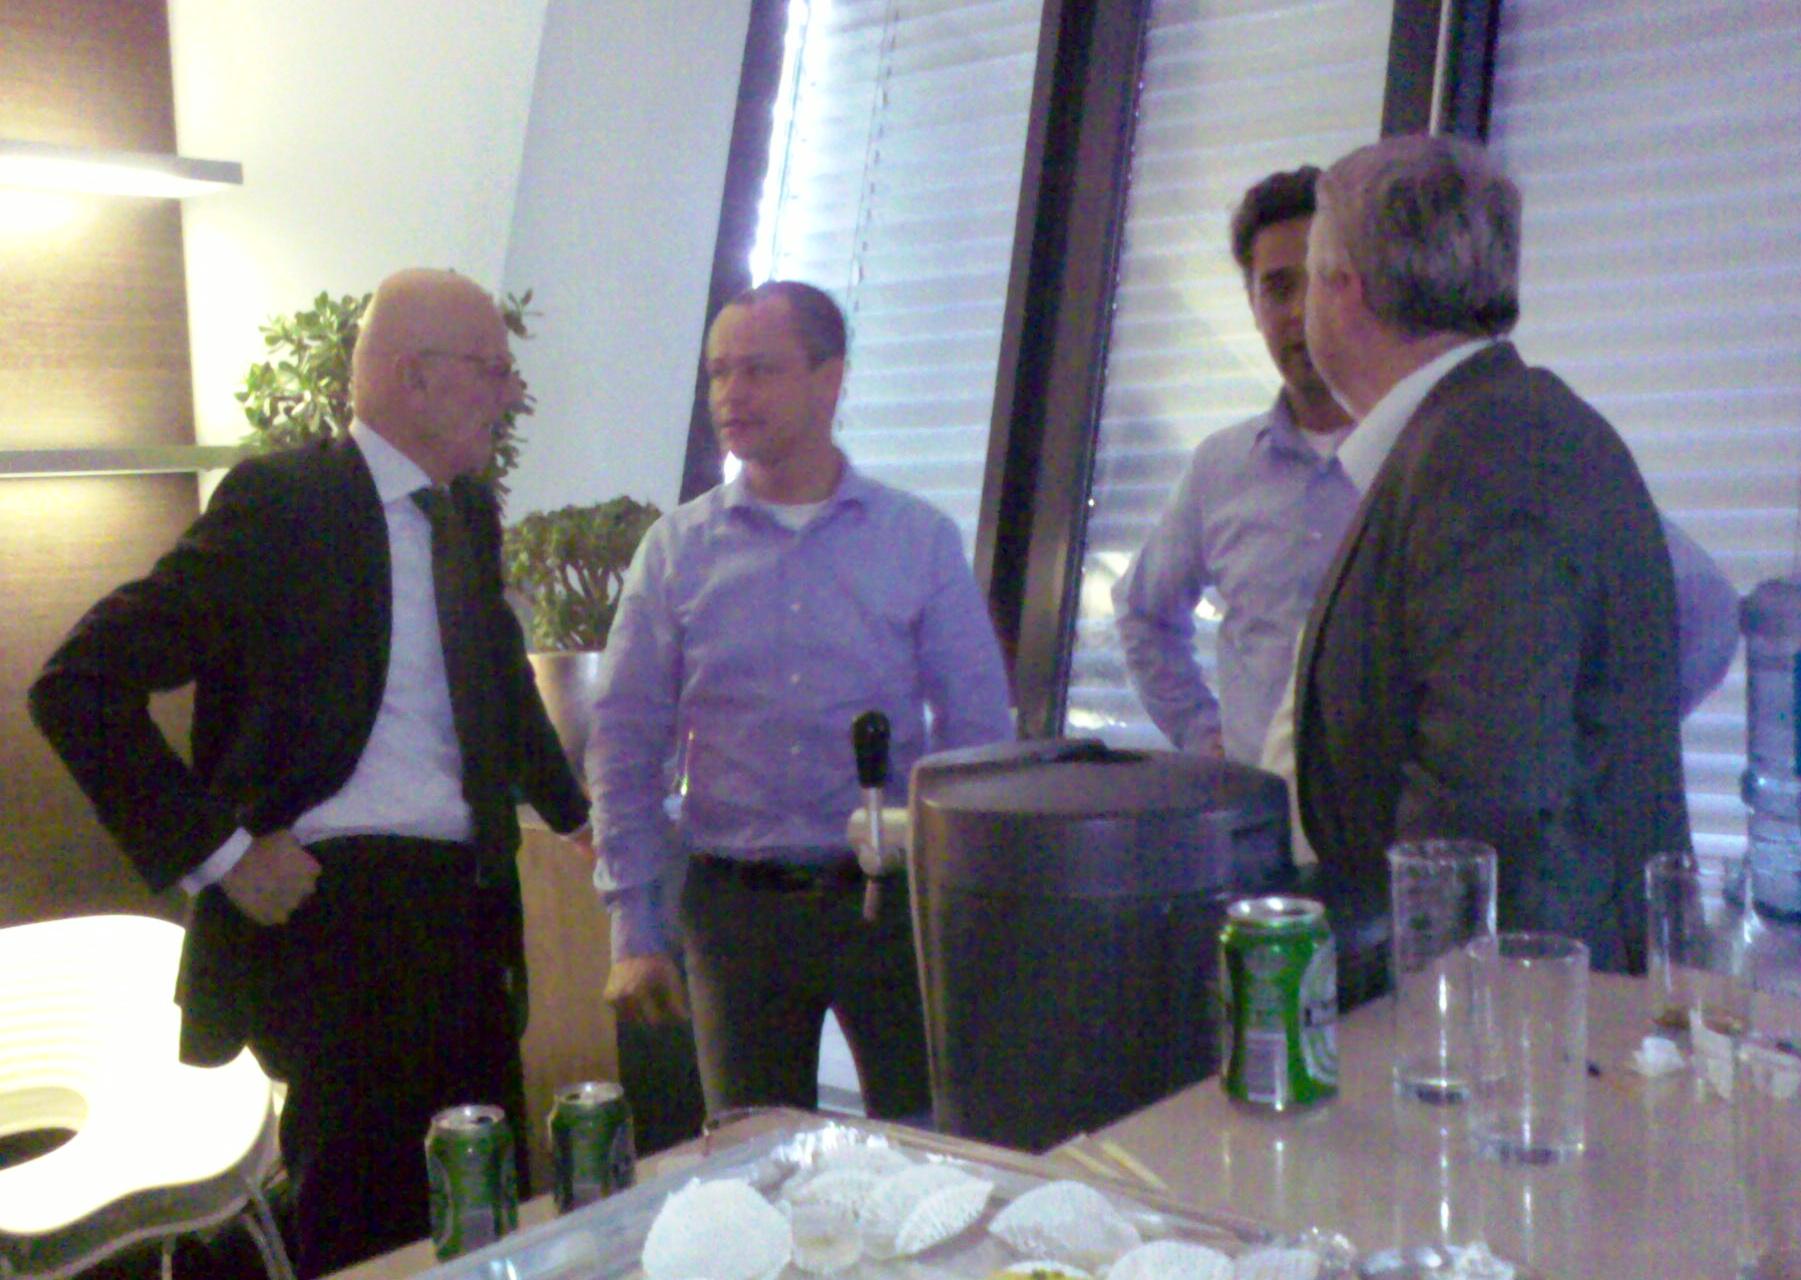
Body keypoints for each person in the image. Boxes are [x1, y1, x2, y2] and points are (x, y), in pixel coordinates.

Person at [29, 269, 590, 1276]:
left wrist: (580, 817)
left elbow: (499, 687)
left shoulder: (465, 514)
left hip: (466, 912)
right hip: (338, 919)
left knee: (485, 1214)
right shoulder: (285, 504)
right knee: (369, 1228)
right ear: (415, 376)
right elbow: (78, 686)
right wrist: (223, 854)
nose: (509, 394)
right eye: (492, 369)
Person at [1116, 167, 1739, 770]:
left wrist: (1586, 753)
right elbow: (1144, 615)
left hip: (1416, 822)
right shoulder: (1219, 470)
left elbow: (1703, 609)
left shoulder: (1465, 446)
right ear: (1252, 306)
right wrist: (1203, 736)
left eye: (1322, 280)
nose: (1303, 308)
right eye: (1279, 287)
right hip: (1261, 819)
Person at [588, 280, 1014, 1120]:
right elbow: (625, 741)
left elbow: (976, 738)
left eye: (758, 369)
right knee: (751, 1153)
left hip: (888, 904)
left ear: (830, 378)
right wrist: (633, 926)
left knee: (929, 1142)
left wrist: (972, 904)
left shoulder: (916, 540)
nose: (730, 394)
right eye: (717, 372)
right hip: (733, 912)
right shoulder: (675, 551)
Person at [1291, 135, 1688, 973]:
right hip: (1517, 994)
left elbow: (1488, 796)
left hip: (1508, 1010)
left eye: (1305, 279)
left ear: (1342, 288)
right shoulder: (1489, 428)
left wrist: (1405, 1002)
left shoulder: (1488, 452)